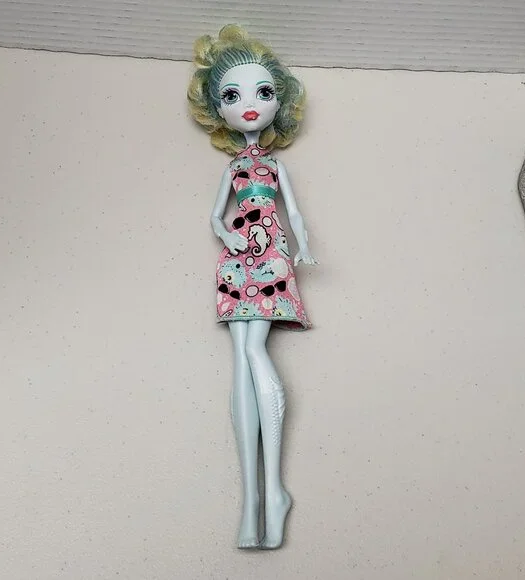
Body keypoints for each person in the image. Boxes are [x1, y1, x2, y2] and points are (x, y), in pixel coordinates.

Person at [187, 24, 318, 549]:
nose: (248, 105)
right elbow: (214, 216)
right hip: (237, 257)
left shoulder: (275, 166)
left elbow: (296, 212)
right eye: (232, 96)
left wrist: (302, 245)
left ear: (279, 104)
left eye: (262, 93)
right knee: (240, 360)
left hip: (269, 256)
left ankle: (273, 492)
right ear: (216, 108)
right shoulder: (235, 167)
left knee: (253, 350)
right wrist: (227, 236)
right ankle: (254, 502)